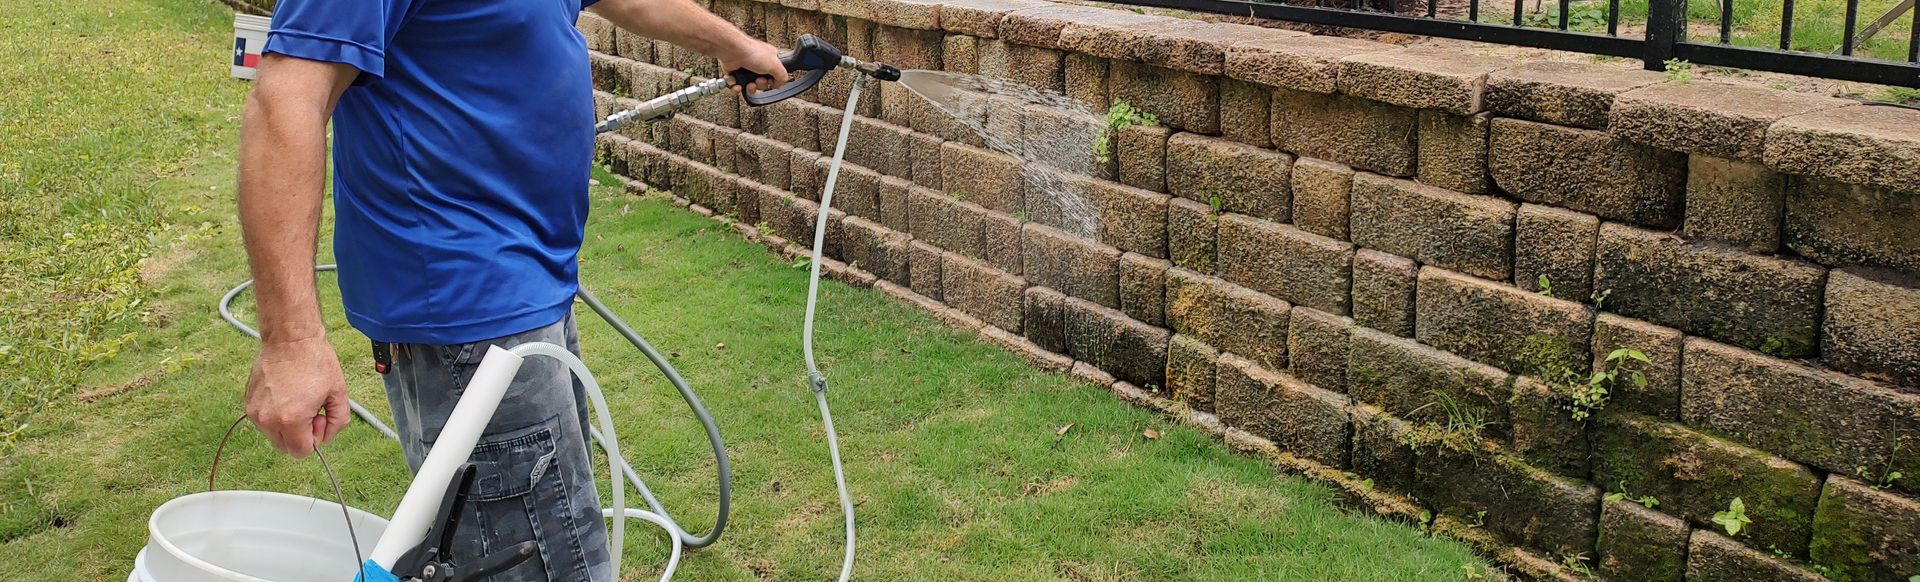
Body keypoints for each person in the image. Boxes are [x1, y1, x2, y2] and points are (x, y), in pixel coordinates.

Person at [234, 0, 787, 579]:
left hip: (525, 287)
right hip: (465, 306)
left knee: (564, 533)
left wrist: (733, 45)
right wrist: (291, 340)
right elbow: (287, 98)